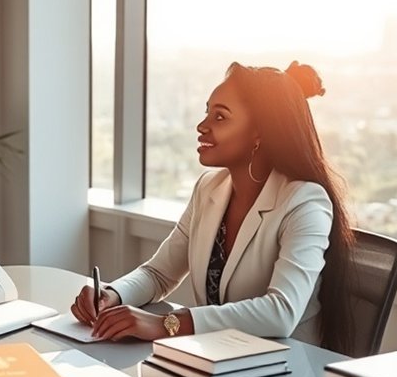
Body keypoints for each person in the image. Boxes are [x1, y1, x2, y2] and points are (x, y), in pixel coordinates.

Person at [71, 61, 354, 354]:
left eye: (220, 117)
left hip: (284, 372)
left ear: (259, 132)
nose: (202, 126)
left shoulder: (305, 202)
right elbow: (159, 274)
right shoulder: (209, 188)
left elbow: (280, 312)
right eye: (207, 112)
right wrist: (112, 294)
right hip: (214, 364)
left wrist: (167, 324)